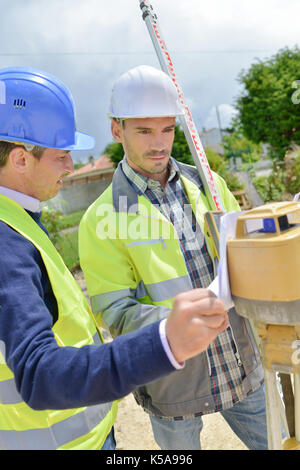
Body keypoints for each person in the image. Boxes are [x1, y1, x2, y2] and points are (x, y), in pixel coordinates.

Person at [0, 66, 229, 451]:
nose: (71, 167)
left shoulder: (20, 221)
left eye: (167, 128)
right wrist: (164, 342)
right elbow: (38, 374)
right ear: (21, 159)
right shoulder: (7, 244)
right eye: (62, 155)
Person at [78, 65, 269, 450]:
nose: (159, 143)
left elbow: (243, 254)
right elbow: (114, 311)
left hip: (241, 365)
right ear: (118, 130)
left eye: (167, 129)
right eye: (144, 131)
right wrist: (178, 323)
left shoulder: (208, 184)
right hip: (172, 385)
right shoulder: (101, 218)